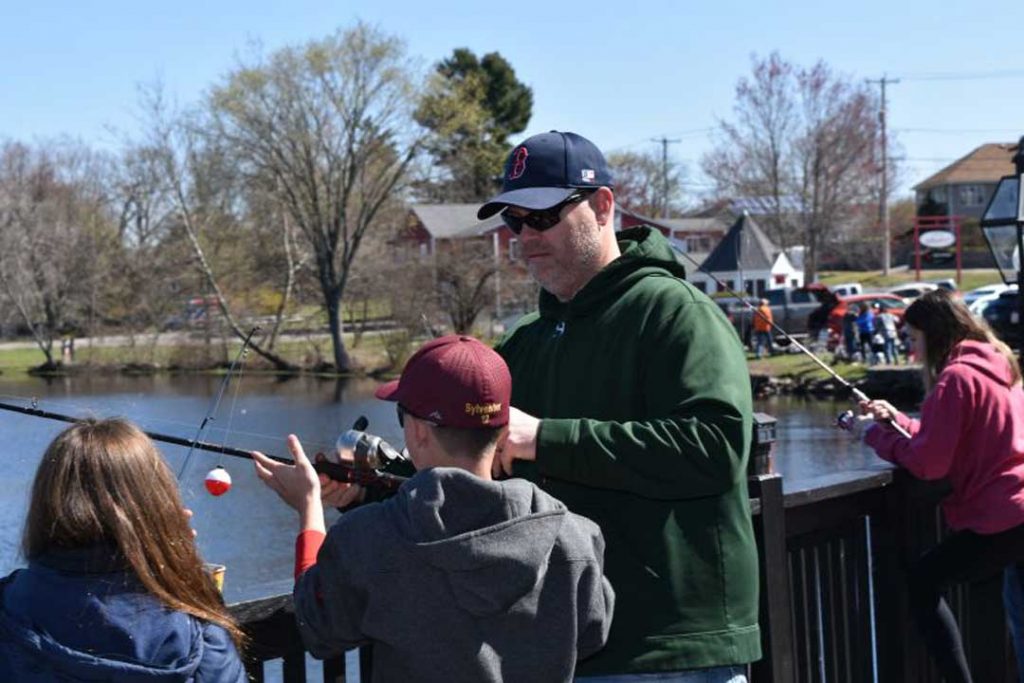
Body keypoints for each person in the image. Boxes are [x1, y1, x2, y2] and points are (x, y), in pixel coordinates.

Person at [476, 131, 759, 681]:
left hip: (673, 650)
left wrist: (545, 439)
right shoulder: (526, 339)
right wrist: (367, 488)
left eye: (544, 216)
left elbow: (717, 446)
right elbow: (474, 461)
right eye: (515, 221)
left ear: (603, 206)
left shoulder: (676, 312)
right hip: (567, 646)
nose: (527, 237)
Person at [253, 335, 615, 683]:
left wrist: (309, 509)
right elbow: (592, 634)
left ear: (418, 431)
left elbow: (317, 625)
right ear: (504, 428)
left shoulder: (371, 538)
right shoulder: (573, 535)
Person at [851, 289, 1024, 683]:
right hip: (1019, 506)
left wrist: (875, 438)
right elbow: (953, 437)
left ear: (933, 333)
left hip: (1000, 516)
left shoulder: (954, 379)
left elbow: (929, 464)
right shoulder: (999, 362)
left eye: (913, 338)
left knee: (922, 581)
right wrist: (897, 421)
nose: (912, 350)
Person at [0, 418, 247, 682]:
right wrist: (178, 560)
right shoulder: (200, 633)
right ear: (157, 506)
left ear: (46, 505)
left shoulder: (9, 606)